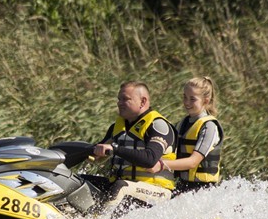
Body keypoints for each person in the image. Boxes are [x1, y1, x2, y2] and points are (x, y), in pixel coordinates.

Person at [91, 80, 177, 212]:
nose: (119, 103)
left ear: (143, 102)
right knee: (79, 182)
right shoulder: (117, 127)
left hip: (156, 191)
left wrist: (115, 149)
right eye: (119, 99)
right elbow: (96, 152)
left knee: (121, 187)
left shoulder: (158, 126)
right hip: (124, 185)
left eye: (125, 99)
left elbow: (150, 159)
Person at [150, 76, 223, 193]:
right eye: (185, 97)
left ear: (206, 100)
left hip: (204, 190)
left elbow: (193, 162)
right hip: (182, 186)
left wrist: (161, 164)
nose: (187, 102)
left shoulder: (209, 126)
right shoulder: (182, 124)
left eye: (192, 99)